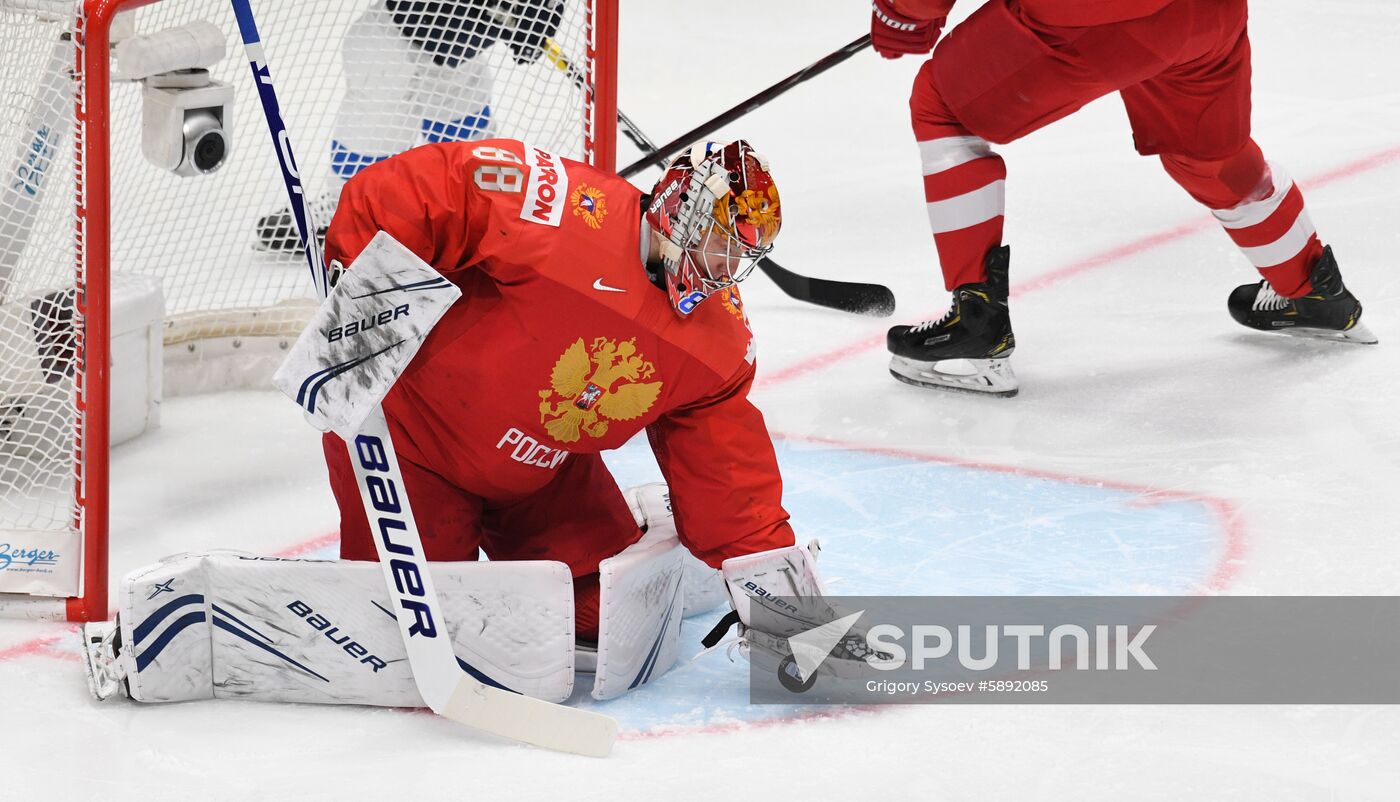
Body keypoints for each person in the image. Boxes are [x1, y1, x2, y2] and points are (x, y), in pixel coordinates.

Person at [82, 138, 844, 708]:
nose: (719, 267)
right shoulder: (556, 209)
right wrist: (365, 301)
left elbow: (729, 473)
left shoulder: (716, 342)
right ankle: (196, 624)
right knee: (396, 639)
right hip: (413, 446)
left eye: (737, 255)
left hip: (546, 478)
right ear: (679, 203)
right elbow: (430, 189)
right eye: (716, 239)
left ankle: (660, 549)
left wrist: (786, 606)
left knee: (601, 625)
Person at [872, 0, 1377, 397]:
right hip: (1208, 15)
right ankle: (1313, 291)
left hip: (1095, 15)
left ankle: (975, 325)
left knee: (944, 106)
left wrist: (905, 10)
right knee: (1207, 154)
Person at [255, 0, 565, 253]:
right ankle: (346, 215)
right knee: (372, 131)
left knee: (464, 139)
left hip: (460, 49)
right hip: (396, 37)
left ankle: (475, 212)